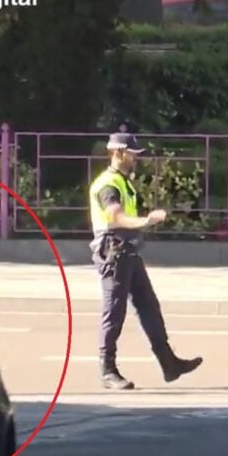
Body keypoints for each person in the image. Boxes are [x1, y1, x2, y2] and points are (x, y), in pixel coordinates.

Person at [89, 133, 203, 390]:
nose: (136, 160)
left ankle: (168, 363)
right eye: (132, 154)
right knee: (114, 311)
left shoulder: (120, 181)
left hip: (126, 249)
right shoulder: (108, 184)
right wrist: (146, 221)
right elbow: (115, 218)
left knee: (149, 306)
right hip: (113, 251)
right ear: (118, 153)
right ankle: (107, 370)